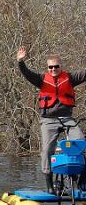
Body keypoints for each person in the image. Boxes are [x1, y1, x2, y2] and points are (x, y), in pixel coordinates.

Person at [16, 46, 86, 193]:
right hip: (48, 120)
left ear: (61, 66)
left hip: (67, 119)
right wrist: (21, 61)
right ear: (47, 68)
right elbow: (27, 74)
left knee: (80, 143)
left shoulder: (70, 78)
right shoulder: (42, 80)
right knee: (47, 150)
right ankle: (49, 183)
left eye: (56, 66)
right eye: (50, 67)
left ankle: (82, 178)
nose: (53, 69)